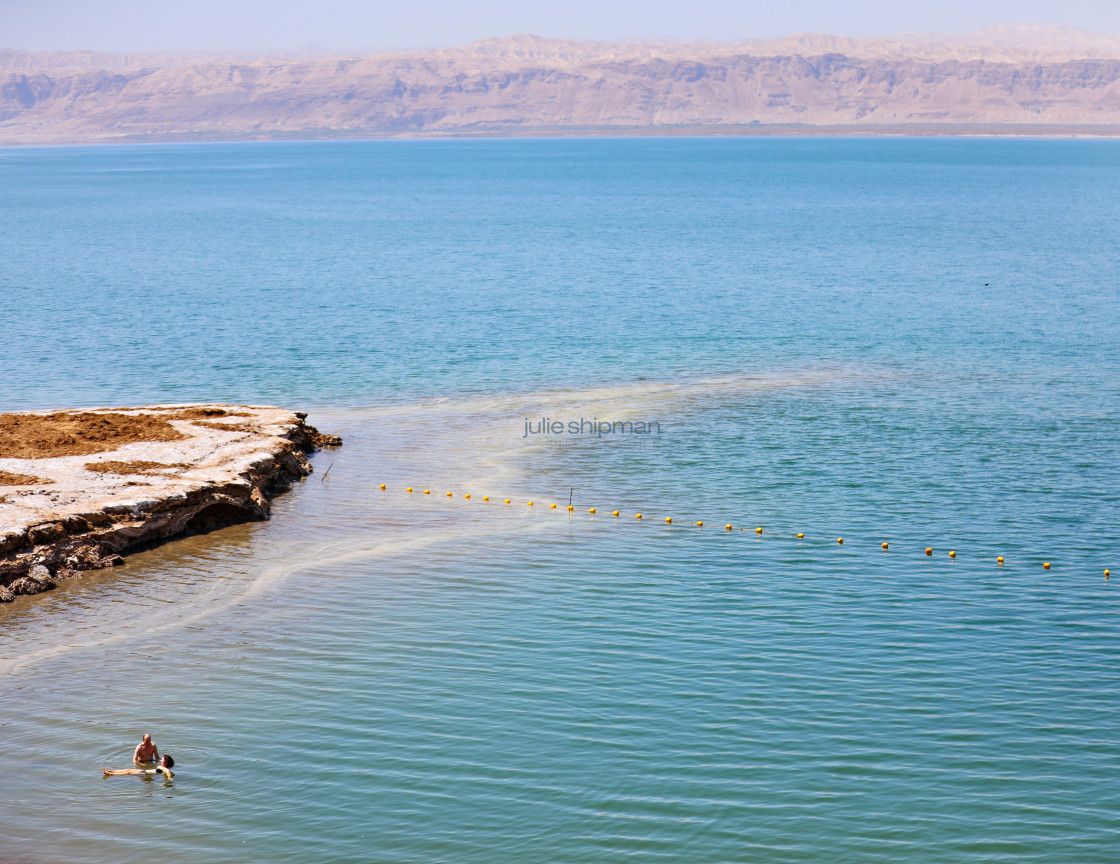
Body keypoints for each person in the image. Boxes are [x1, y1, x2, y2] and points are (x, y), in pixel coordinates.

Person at [104, 754, 174, 778]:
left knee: (128, 772)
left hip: (145, 773)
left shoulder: (164, 768)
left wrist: (169, 778)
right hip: (144, 771)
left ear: (166, 762)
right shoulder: (162, 767)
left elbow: (167, 771)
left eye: (162, 759)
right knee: (128, 770)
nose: (161, 760)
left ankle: (110, 774)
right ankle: (111, 771)